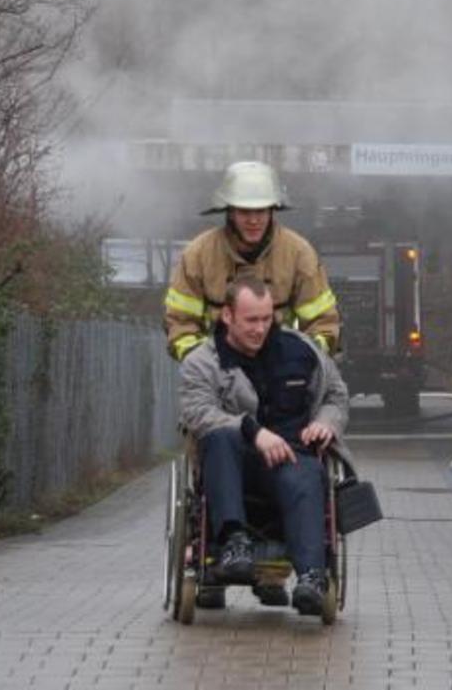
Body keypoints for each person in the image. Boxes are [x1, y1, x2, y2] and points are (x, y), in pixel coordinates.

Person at [178, 271, 349, 616]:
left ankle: (311, 577)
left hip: (290, 455)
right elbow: (197, 413)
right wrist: (253, 431)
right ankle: (235, 543)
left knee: (307, 475)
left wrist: (325, 422)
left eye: (266, 319)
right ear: (228, 316)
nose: (259, 329)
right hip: (234, 461)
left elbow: (336, 395)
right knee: (219, 437)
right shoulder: (202, 362)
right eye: (251, 320)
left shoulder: (303, 350)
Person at [164, 161, 340, 361]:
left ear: (272, 210)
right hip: (216, 370)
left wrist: (300, 360)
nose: (254, 220)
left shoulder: (299, 254)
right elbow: (180, 324)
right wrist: (206, 363)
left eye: (261, 211)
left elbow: (324, 325)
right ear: (230, 212)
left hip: (281, 368)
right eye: (245, 211)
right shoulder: (198, 256)